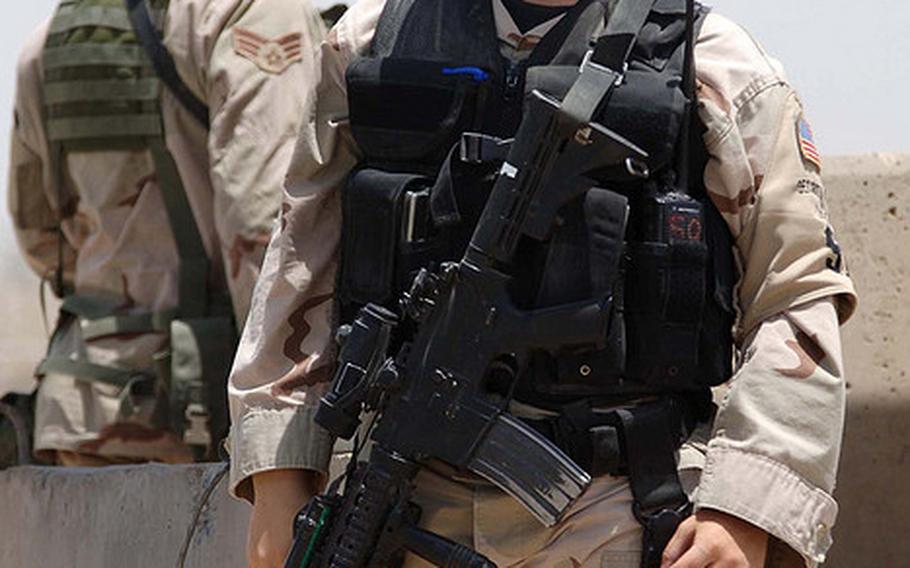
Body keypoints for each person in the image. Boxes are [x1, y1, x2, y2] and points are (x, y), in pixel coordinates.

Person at [227, 0, 857, 566]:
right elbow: (301, 258)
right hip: (405, 499)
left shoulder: (715, 66)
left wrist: (743, 510)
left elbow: (795, 290)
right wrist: (280, 477)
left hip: (622, 511)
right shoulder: (369, 43)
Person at [7, 0, 325, 466]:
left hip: (82, 412)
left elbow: (40, 235)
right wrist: (286, 422)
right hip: (207, 422)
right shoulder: (250, 14)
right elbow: (267, 236)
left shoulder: (53, 38)